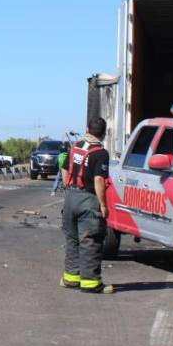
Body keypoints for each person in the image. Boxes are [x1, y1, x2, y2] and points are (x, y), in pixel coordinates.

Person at [59, 118, 114, 294]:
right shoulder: (101, 153)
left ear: (87, 129)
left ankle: (70, 278)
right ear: (104, 133)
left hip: (70, 197)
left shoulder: (76, 146)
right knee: (90, 241)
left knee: (72, 239)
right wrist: (103, 205)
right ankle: (91, 282)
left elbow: (65, 168)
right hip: (88, 199)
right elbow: (99, 179)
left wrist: (68, 185)